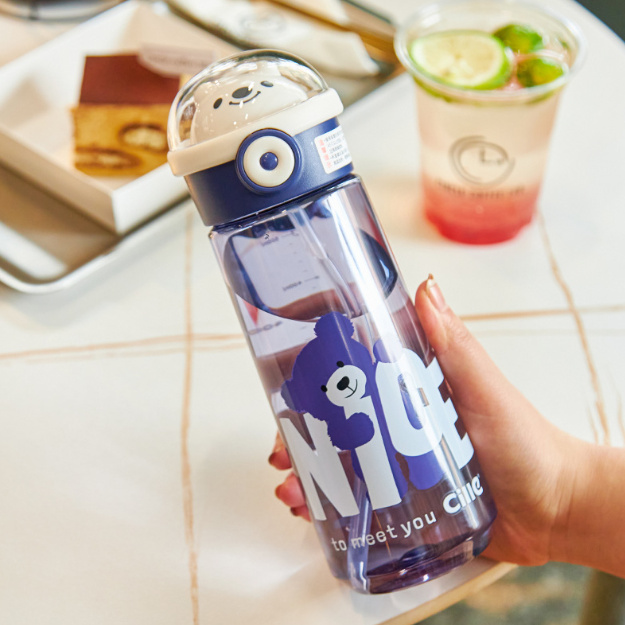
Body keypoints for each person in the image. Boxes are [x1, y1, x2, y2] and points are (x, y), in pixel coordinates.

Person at [269, 276, 625, 579]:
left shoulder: (382, 371)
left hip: (457, 493)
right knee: (365, 473)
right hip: (386, 509)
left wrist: (561, 497)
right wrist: (560, 502)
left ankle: (428, 473)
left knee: (420, 449)